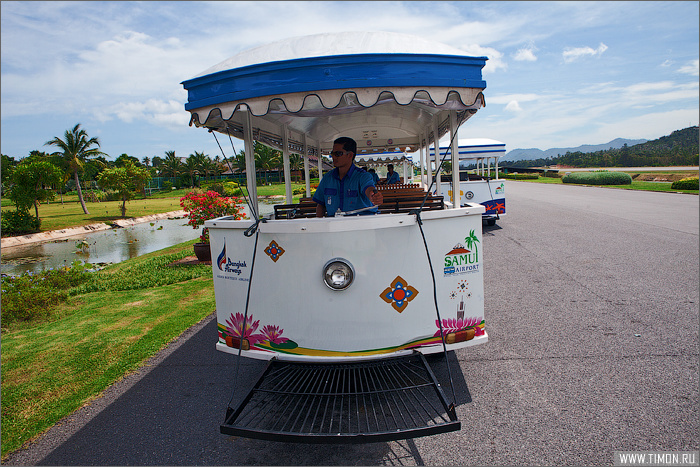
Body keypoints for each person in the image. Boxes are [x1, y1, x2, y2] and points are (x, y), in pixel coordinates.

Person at [312, 137, 383, 217]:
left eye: (338, 154)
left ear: (350, 155)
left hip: (362, 225)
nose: (334, 157)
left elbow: (369, 189)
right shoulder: (327, 178)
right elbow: (320, 205)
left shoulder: (363, 176)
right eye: (332, 153)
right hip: (335, 226)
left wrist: (374, 196)